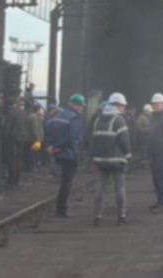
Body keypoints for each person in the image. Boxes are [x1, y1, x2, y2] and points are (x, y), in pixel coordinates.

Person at [91, 92, 132, 226]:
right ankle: (122, 216)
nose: (123, 109)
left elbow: (93, 139)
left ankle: (97, 216)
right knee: (119, 187)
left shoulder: (98, 119)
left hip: (100, 160)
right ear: (118, 105)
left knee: (100, 188)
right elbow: (124, 140)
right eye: (123, 106)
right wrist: (128, 154)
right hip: (116, 160)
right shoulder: (119, 120)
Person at [45, 93, 85, 217]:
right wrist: (59, 147)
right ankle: (62, 209)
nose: (82, 108)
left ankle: (60, 207)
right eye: (81, 106)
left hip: (57, 153)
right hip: (70, 154)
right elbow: (72, 137)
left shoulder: (58, 116)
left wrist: (50, 146)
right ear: (75, 105)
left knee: (62, 181)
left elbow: (47, 129)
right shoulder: (75, 118)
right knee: (67, 183)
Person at [2, 97, 27, 187]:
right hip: (22, 138)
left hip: (11, 138)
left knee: (11, 160)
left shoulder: (10, 113)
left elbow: (7, 127)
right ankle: (17, 180)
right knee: (18, 160)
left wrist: (4, 137)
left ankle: (11, 180)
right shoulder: (23, 112)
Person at [25, 103, 44, 172]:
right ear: (37, 110)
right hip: (34, 139)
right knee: (33, 154)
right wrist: (38, 139)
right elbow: (35, 129)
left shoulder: (32, 116)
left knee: (30, 153)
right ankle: (31, 167)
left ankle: (29, 166)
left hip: (30, 139)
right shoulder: (34, 118)